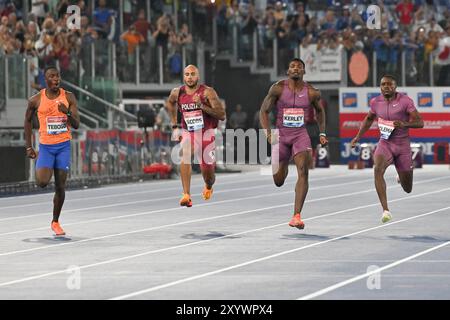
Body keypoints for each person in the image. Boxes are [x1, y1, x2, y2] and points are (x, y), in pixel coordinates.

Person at [259, 58, 328, 230]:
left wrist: (322, 132)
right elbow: (264, 111)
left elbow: (320, 111)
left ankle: (296, 216)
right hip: (281, 136)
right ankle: (284, 163)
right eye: (292, 67)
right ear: (288, 71)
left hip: (300, 135)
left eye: (299, 67)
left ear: (304, 71)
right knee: (278, 180)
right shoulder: (278, 88)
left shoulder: (312, 92)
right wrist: (267, 132)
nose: (296, 69)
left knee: (303, 171)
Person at [351, 75, 424, 223]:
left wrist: (404, 124)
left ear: (395, 87)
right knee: (377, 169)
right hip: (385, 143)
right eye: (383, 84)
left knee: (407, 188)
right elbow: (368, 119)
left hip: (402, 146)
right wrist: (358, 136)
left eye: (389, 84)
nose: (386, 87)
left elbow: (420, 122)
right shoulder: (375, 102)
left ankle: (401, 175)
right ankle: (386, 210)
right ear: (380, 87)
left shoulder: (405, 101)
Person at [24, 66, 80, 236]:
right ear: (45, 79)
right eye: (52, 76)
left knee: (60, 186)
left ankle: (55, 222)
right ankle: (43, 160)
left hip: (63, 146)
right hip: (46, 147)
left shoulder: (68, 97)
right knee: (41, 182)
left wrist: (67, 113)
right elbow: (27, 121)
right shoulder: (35, 100)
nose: (56, 79)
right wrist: (28, 146)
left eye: (58, 76)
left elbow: (77, 124)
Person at [166, 65, 226, 207]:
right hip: (189, 132)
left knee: (208, 175)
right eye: (187, 74)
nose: (190, 77)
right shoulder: (177, 92)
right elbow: (170, 103)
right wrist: (174, 125)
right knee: (185, 154)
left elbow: (222, 115)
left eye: (193, 74)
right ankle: (186, 195)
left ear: (198, 76)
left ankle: (209, 186)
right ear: (183, 76)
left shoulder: (207, 92)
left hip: (206, 134)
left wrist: (202, 106)